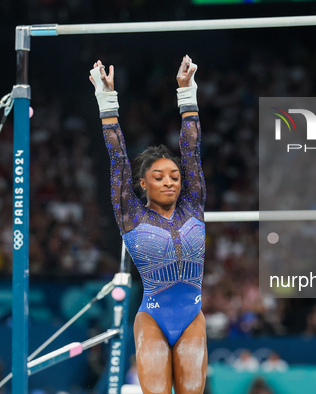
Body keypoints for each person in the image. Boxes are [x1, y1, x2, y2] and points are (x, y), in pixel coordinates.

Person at [89, 55, 206, 394]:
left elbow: (192, 151)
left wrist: (187, 93)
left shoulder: (194, 205)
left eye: (174, 176)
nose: (170, 182)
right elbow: (117, 160)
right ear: (143, 183)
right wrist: (106, 100)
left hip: (192, 318)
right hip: (152, 318)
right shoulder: (131, 213)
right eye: (159, 177)